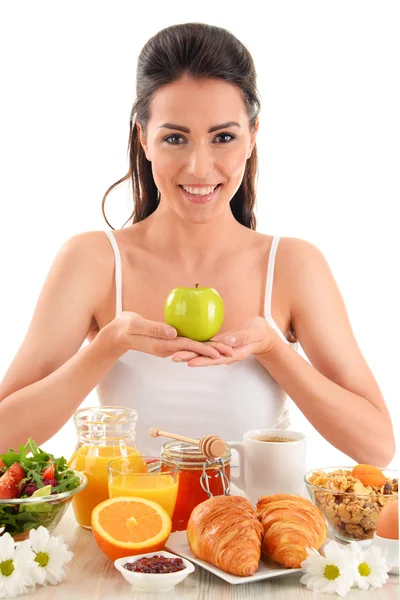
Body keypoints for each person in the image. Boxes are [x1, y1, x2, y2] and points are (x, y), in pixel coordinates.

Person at [0, 23, 395, 464]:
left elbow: (376, 446)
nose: (199, 166)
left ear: (252, 136)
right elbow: (4, 438)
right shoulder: (93, 260)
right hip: (128, 527)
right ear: (143, 138)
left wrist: (274, 351)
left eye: (223, 137)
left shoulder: (292, 265)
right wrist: (107, 346)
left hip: (256, 530)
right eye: (175, 138)